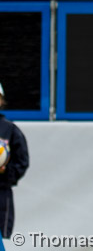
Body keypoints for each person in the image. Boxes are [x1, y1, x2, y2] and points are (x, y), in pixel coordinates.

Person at [0, 82, 29, 240]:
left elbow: (22, 161)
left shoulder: (9, 129)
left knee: (1, 237)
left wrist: (6, 171)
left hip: (1, 192)